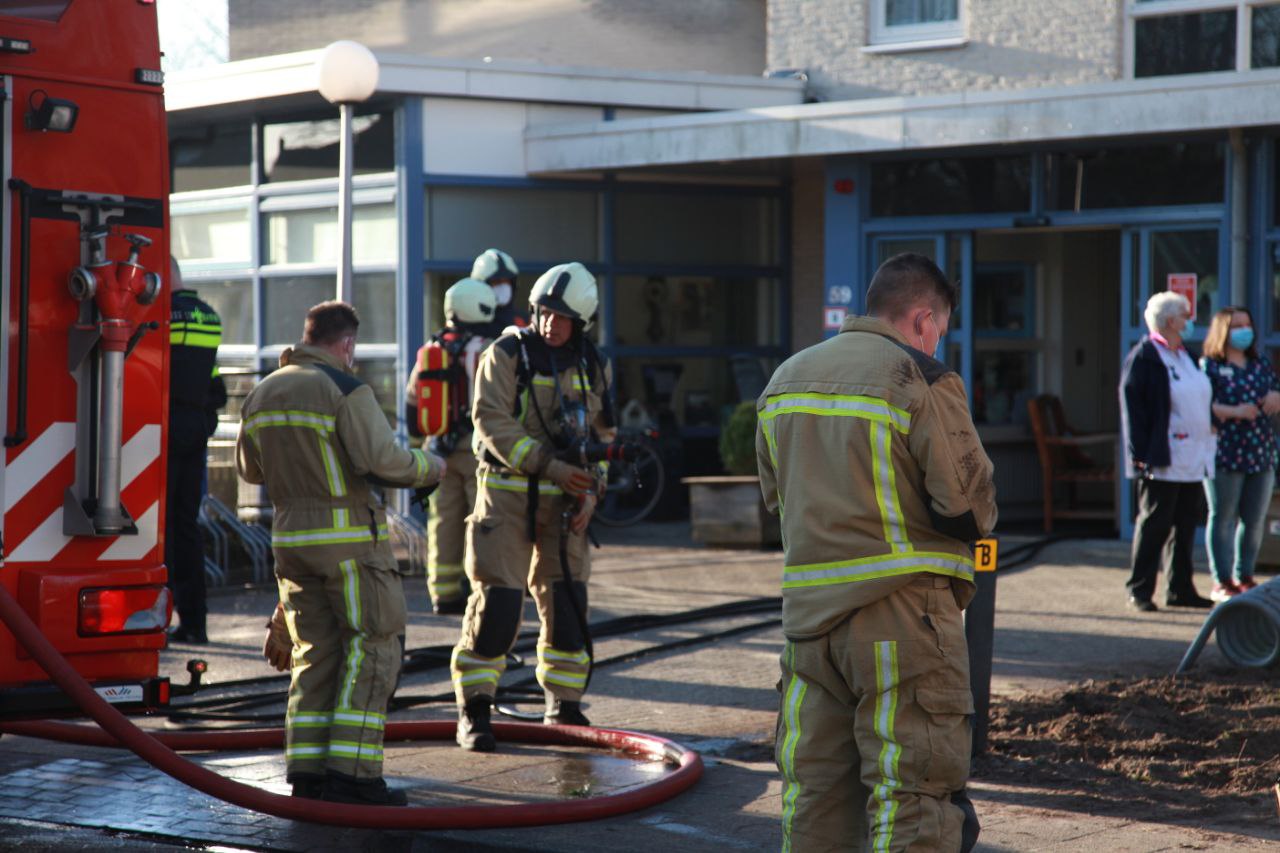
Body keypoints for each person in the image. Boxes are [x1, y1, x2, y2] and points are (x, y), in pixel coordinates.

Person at [757, 252, 995, 853]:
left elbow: (774, 498)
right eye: (938, 327)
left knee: (814, 793)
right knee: (911, 790)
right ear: (921, 319)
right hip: (904, 618)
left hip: (809, 626)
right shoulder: (919, 376)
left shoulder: (783, 380)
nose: (938, 339)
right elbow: (968, 507)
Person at [239, 301, 445, 805]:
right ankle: (354, 776)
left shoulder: (262, 393)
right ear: (347, 344)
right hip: (350, 546)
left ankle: (307, 773)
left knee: (315, 656)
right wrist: (430, 466)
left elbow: (250, 471)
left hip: (290, 546)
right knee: (374, 647)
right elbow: (382, 460)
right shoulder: (345, 389)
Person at [451, 261, 614, 752]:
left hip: (565, 510)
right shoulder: (506, 354)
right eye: (544, 313)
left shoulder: (592, 364)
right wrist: (552, 468)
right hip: (505, 497)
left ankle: (563, 706)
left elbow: (603, 435)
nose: (550, 324)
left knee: (567, 607)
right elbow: (492, 423)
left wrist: (591, 488)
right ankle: (474, 709)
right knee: (498, 606)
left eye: (561, 317)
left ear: (581, 322)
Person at [405, 278, 497, 614]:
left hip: (436, 452)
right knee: (481, 521)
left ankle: (442, 593)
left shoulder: (431, 349)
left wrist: (419, 448)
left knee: (442, 522)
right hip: (478, 452)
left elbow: (413, 402)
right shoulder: (489, 349)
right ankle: (481, 590)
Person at [1120, 291, 1215, 612]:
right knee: (1155, 523)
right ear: (1171, 321)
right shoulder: (1145, 356)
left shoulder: (1185, 354)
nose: (1190, 321)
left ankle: (1180, 588)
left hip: (1193, 455)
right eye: (1186, 315)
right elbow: (1133, 409)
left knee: (1185, 523)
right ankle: (1140, 589)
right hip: (1161, 456)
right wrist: (1140, 452)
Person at [1199, 306, 1280, 601]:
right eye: (1237, 326)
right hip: (1225, 451)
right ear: (1223, 331)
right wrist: (1234, 411)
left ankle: (1245, 574)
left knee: (1254, 518)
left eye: (1248, 324)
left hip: (1261, 451)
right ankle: (1222, 580)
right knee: (1223, 516)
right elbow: (1199, 406)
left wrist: (1276, 397)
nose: (1245, 331)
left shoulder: (1260, 365)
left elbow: (1275, 393)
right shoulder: (1208, 367)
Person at [166, 257, 227, 645]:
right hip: (195, 432)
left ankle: (161, 616)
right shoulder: (209, 317)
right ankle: (195, 622)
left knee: (161, 529)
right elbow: (216, 388)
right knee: (186, 526)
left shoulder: (158, 315)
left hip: (159, 430)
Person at [471, 247, 528, 336]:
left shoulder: (524, 321)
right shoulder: (469, 322)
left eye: (507, 281)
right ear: (481, 287)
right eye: (496, 282)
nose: (503, 286)